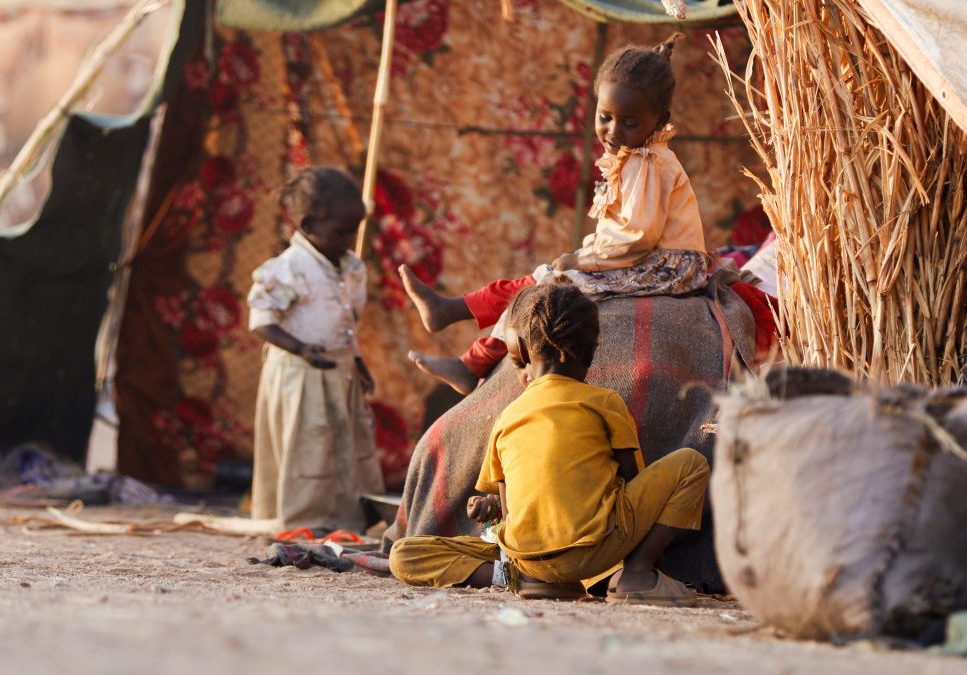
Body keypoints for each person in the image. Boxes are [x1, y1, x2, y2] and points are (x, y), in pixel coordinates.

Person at [401, 34, 710, 394]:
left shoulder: (649, 164)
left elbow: (638, 236)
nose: (613, 131)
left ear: (659, 120)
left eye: (630, 123)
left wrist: (583, 259)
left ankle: (471, 351)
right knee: (544, 275)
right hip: (644, 256)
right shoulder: (632, 158)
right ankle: (458, 319)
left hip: (666, 265)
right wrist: (586, 255)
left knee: (556, 283)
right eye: (605, 117)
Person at [388, 282, 710, 605]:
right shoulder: (606, 403)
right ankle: (637, 573)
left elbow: (511, 513)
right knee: (691, 463)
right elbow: (633, 484)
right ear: (591, 353)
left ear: (523, 351)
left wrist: (494, 511)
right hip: (595, 551)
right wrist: (651, 564)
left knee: (404, 553)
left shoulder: (506, 418)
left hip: (528, 561)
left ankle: (513, 578)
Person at [247, 166, 383, 532]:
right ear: (308, 225)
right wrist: (302, 350)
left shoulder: (352, 268)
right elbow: (261, 320)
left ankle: (343, 517)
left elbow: (346, 321)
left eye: (354, 230)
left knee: (342, 443)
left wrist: (359, 362)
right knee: (308, 444)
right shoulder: (289, 268)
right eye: (341, 232)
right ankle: (304, 519)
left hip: (339, 369)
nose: (350, 240)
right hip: (299, 373)